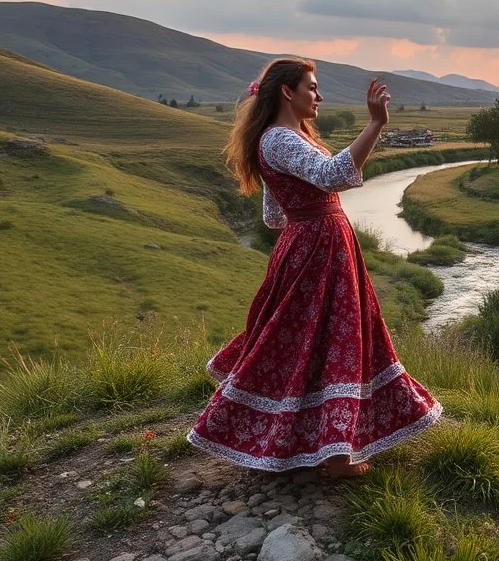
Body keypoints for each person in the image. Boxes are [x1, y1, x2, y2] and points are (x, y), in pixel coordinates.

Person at [187, 58, 441, 478]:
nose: (319, 96)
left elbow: (273, 216)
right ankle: (336, 457)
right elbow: (333, 175)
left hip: (310, 243)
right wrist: (376, 123)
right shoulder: (281, 140)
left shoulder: (276, 140)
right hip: (320, 246)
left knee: (312, 340)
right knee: (331, 337)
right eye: (312, 87)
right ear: (287, 92)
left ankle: (319, 445)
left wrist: (305, 220)